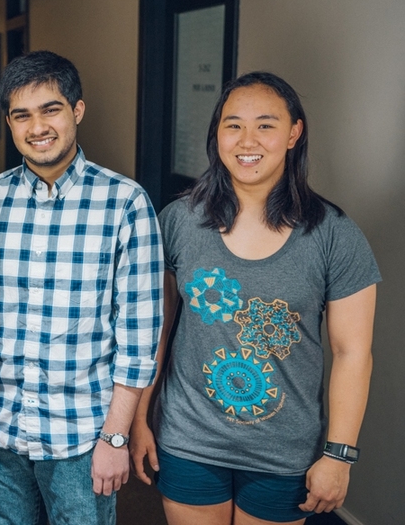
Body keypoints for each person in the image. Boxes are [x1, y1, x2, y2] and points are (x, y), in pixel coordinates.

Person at [130, 72, 380, 525]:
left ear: (293, 133)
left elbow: (352, 352)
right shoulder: (179, 222)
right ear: (217, 135)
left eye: (265, 124)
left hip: (284, 450)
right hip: (189, 439)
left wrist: (339, 455)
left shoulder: (335, 236)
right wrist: (139, 418)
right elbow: (157, 330)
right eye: (233, 125)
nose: (248, 140)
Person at [0, 50, 164, 524]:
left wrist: (116, 437)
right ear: (9, 123)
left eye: (50, 109)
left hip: (82, 438)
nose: (37, 127)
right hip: (0, 431)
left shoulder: (125, 204)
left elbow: (137, 337)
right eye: (22, 115)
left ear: (77, 110)